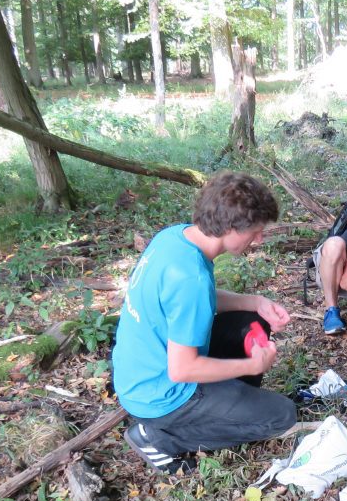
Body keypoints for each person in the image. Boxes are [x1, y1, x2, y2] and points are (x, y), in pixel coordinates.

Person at [112, 171, 297, 473]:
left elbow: (193, 302)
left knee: (251, 322)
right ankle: (159, 437)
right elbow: (183, 369)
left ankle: (226, 400)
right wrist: (252, 366)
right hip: (161, 395)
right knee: (281, 415)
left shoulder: (175, 238)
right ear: (231, 228)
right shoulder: (190, 278)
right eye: (256, 231)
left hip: (140, 374)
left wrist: (256, 303)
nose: (260, 239)